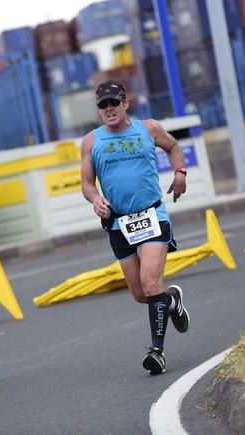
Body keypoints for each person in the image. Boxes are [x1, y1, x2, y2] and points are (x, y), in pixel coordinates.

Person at [80, 80, 190, 375]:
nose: (109, 109)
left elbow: (174, 147)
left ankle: (157, 352)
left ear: (125, 103)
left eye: (114, 103)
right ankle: (172, 301)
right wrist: (95, 200)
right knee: (141, 294)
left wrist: (180, 173)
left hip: (153, 215)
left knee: (152, 284)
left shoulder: (148, 128)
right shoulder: (91, 141)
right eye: (103, 105)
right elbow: (87, 183)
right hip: (118, 224)